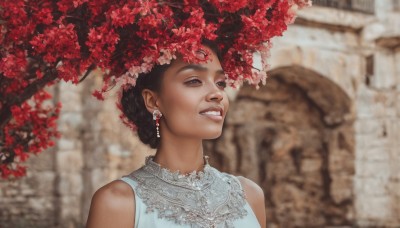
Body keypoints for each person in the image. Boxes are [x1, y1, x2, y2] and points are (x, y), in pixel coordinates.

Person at [86, 42, 266, 228]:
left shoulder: (250, 195)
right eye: (194, 81)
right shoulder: (118, 203)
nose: (217, 94)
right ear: (153, 100)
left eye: (220, 83)